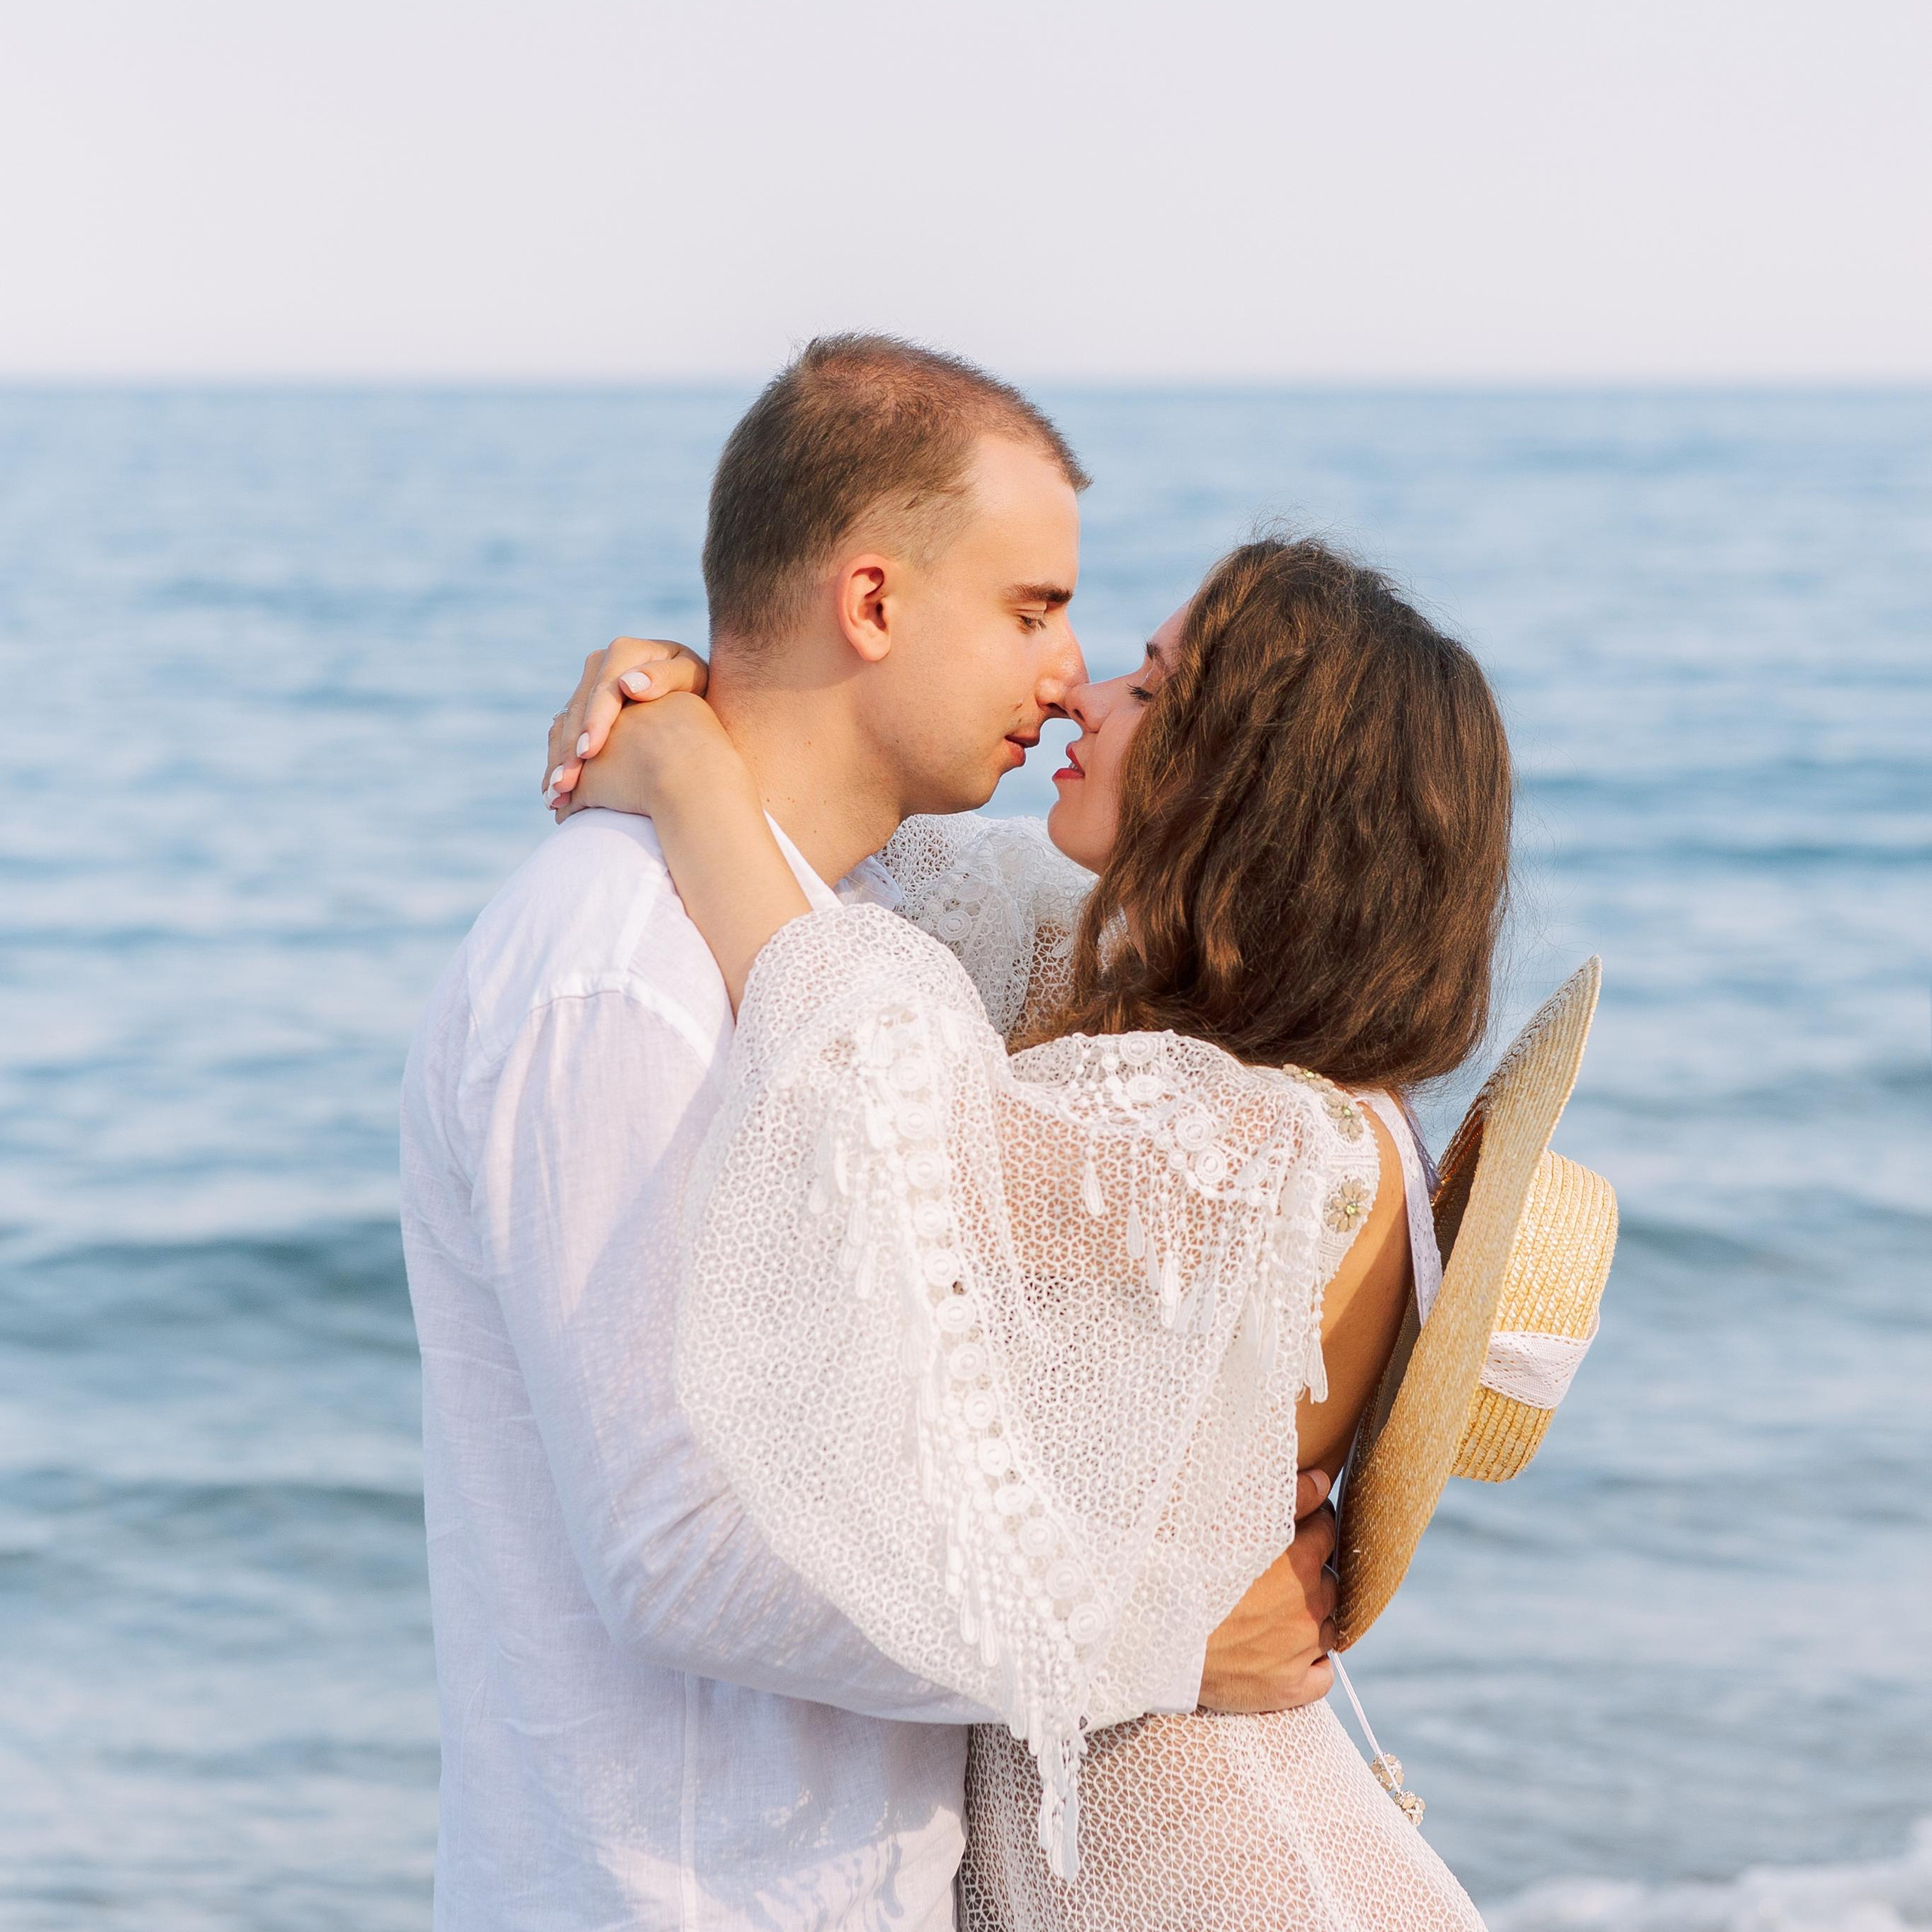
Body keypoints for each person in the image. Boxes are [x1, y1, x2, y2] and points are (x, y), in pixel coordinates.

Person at [400, 335, 1343, 1932]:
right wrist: (1151, 1636)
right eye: (1032, 609)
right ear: (872, 601)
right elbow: (673, 1547)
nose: (1068, 673)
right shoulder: (618, 977)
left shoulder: (851, 944)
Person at [549, 532, 1512, 1928]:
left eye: (1155, 688)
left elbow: (881, 1104)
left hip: (1242, 1887)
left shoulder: (1264, 1150)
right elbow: (865, 851)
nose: (1086, 699)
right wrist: (721, 693)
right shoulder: (1198, 1059)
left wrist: (690, 771)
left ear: (1256, 790)